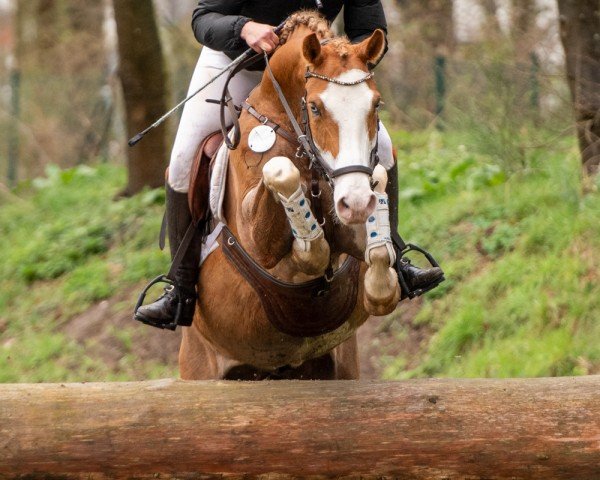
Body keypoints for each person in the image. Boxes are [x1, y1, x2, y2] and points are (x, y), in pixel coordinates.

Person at [134, 0, 443, 330]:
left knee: (382, 145)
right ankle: (180, 288)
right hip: (239, 63)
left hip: (315, 66)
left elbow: (367, 31)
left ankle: (396, 256)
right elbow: (202, 19)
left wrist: (344, 57)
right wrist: (243, 28)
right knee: (182, 158)